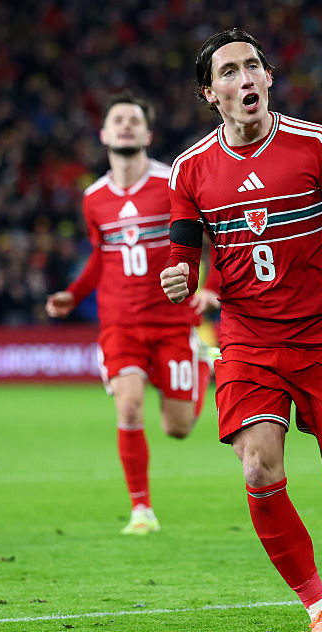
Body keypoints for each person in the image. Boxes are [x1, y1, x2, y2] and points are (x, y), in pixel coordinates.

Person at [159, 28, 322, 632]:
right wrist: (177, 277)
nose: (245, 79)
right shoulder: (191, 171)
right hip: (247, 337)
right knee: (257, 466)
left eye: (253, 67)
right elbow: (184, 255)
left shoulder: (316, 145)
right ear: (209, 93)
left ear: (268, 78)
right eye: (229, 72)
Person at [47, 93, 219, 535]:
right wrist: (73, 293)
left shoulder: (173, 182)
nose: (125, 126)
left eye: (134, 120)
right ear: (103, 134)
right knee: (129, 404)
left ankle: (201, 360)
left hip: (171, 320)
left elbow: (215, 239)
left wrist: (211, 287)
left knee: (178, 428)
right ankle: (141, 509)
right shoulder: (93, 198)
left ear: (148, 134)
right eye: (117, 120)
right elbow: (100, 254)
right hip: (119, 322)